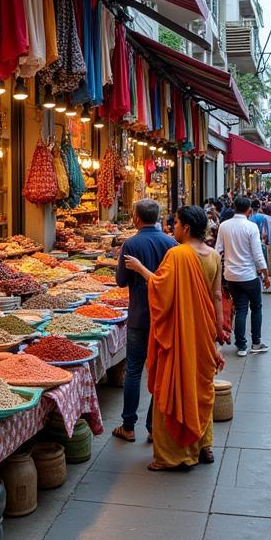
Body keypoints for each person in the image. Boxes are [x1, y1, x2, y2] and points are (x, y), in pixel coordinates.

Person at [122, 205, 226, 471]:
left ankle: (172, 455)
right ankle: (204, 445)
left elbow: (159, 287)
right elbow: (216, 297)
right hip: (202, 332)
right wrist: (218, 331)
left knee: (174, 386)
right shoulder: (213, 255)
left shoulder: (177, 254)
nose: (173, 227)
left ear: (187, 227)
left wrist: (141, 269)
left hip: (179, 332)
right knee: (200, 387)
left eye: (177, 223)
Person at [113, 199, 178, 443]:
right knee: (160, 370)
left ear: (136, 218)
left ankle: (128, 426)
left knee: (134, 370)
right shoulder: (171, 244)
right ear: (159, 217)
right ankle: (154, 426)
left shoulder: (131, 243)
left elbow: (120, 281)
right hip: (164, 316)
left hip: (140, 315)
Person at [214, 194, 270, 357]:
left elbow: (218, 250)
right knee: (256, 307)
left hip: (231, 275)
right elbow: (258, 254)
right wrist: (265, 275)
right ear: (249, 210)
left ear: (233, 208)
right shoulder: (251, 227)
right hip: (249, 275)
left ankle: (241, 345)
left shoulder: (224, 225)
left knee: (240, 309)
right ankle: (256, 342)